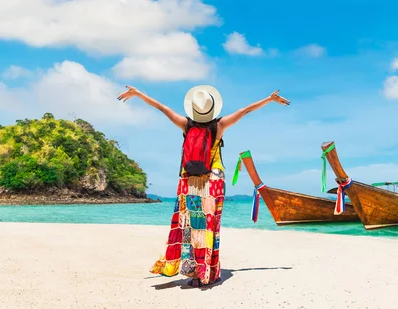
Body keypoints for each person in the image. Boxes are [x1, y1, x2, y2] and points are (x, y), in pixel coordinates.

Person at [117, 85, 289, 287]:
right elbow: (245, 111)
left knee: (190, 226)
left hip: (188, 180)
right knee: (209, 227)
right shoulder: (220, 125)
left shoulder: (186, 125)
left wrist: (138, 94)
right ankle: (206, 271)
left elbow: (161, 108)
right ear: (212, 108)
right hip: (214, 181)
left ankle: (195, 273)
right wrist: (269, 99)